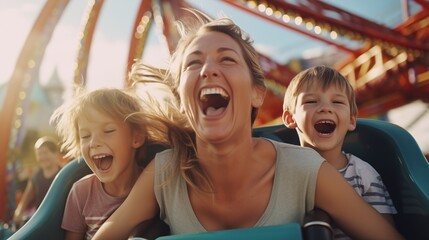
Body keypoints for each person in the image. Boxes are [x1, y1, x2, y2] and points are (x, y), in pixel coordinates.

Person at [93, 9, 404, 240]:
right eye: (194, 62)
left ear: (257, 93)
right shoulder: (163, 174)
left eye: (226, 59)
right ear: (180, 99)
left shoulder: (305, 169)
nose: (208, 70)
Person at [282, 65, 398, 239]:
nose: (325, 108)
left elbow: (384, 229)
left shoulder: (364, 175)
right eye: (311, 101)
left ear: (351, 120)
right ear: (290, 118)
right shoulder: (280, 172)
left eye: (337, 102)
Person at [50, 87, 172, 240]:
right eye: (85, 136)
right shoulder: (81, 192)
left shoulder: (156, 187)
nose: (93, 143)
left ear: (136, 137)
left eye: (108, 131)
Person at [12, 136, 62, 228]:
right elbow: (27, 196)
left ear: (56, 153)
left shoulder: (64, 173)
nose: (42, 157)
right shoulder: (37, 174)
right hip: (39, 219)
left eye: (45, 153)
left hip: (58, 220)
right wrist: (19, 211)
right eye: (39, 154)